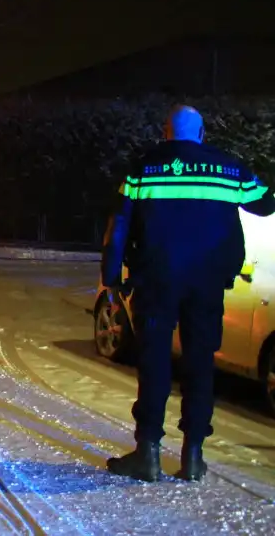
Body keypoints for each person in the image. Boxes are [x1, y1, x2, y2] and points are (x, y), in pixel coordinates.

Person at [102, 105, 275, 482]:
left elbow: (119, 225)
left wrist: (112, 277)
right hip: (207, 282)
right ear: (201, 134)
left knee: (155, 363)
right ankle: (193, 456)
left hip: (156, 280)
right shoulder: (229, 169)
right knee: (200, 363)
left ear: (166, 133)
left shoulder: (144, 168)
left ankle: (147, 452)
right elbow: (266, 203)